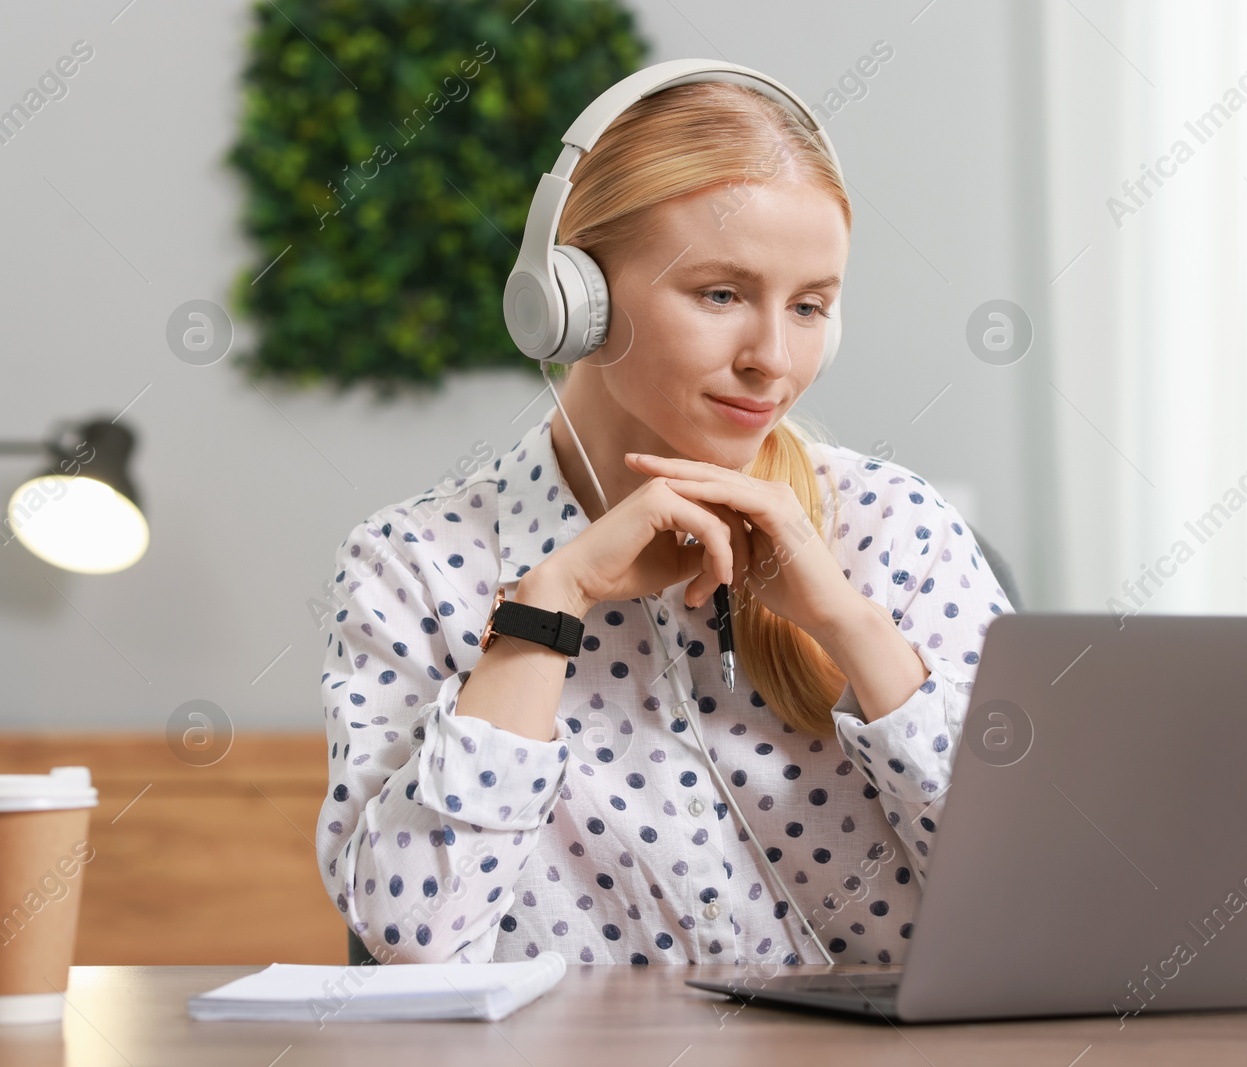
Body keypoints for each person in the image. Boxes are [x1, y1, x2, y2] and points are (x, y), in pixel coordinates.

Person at [314, 75, 1016, 968]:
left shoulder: (896, 528)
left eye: (808, 307)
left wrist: (850, 624)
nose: (773, 360)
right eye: (721, 294)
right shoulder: (413, 564)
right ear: (574, 298)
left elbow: (1038, 899)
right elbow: (418, 943)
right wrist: (546, 607)